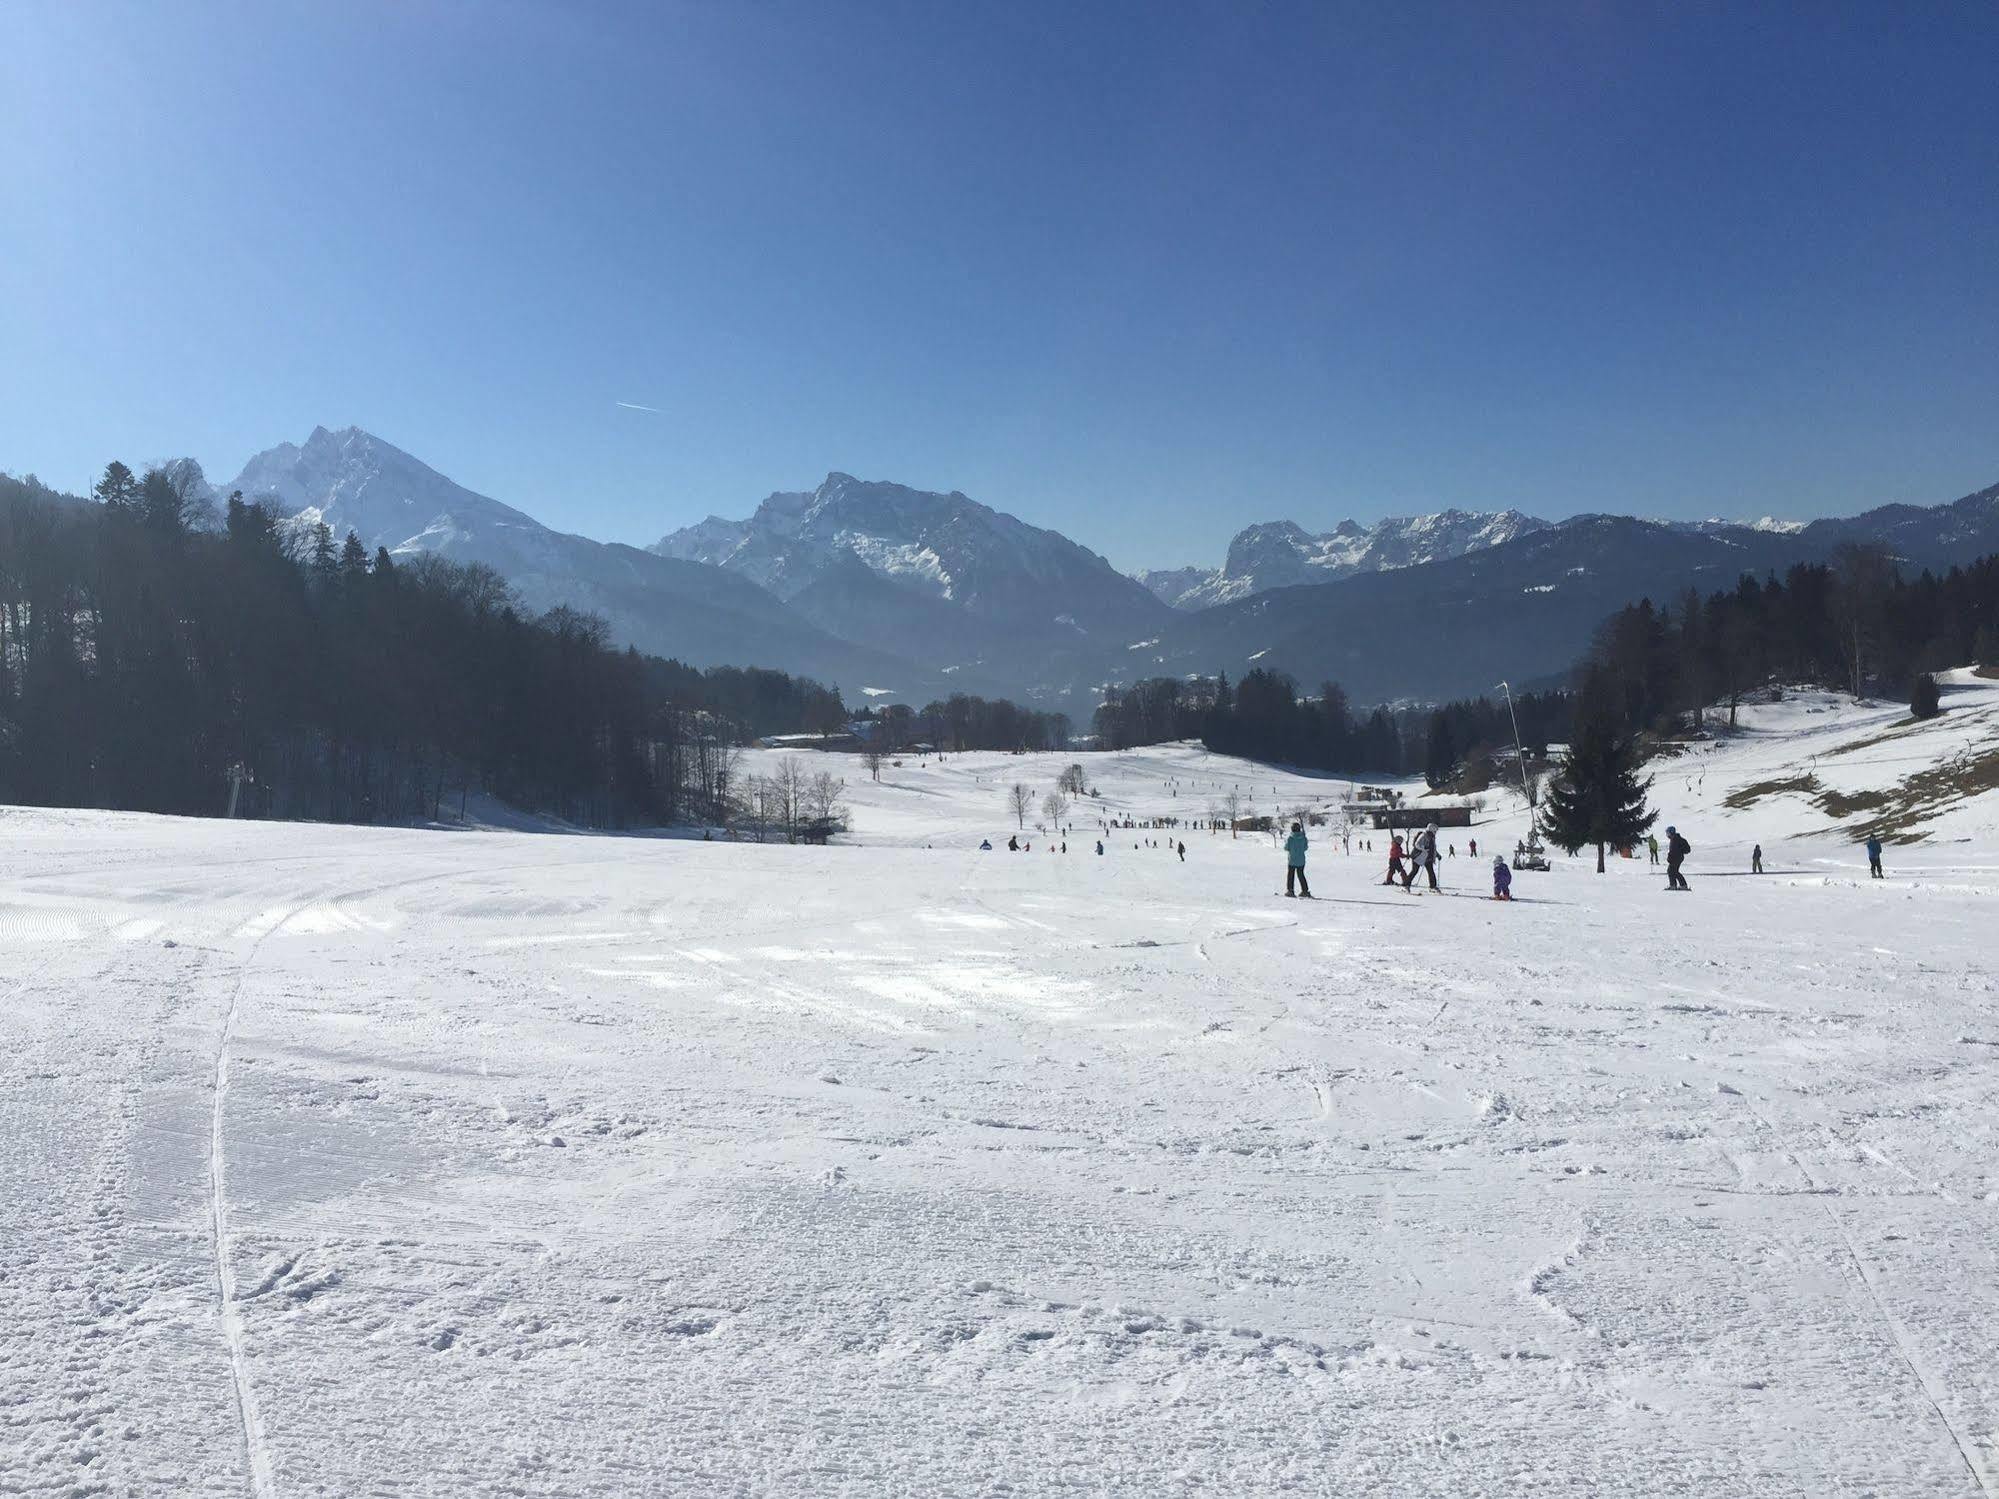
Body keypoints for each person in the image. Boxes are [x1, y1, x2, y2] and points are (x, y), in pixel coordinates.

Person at [1283, 821, 1313, 898]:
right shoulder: (1304, 838)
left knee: (1290, 875)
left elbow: (1286, 848)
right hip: (1301, 860)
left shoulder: (1290, 838)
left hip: (1292, 860)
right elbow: (1305, 848)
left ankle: (1290, 890)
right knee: (1301, 875)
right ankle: (1305, 891)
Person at [1665, 825, 1691, 890]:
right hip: (1679, 858)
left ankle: (1675, 885)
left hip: (1676, 858)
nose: (1667, 835)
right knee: (1674, 871)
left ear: (1671, 832)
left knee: (1671, 871)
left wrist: (1670, 857)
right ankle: (1680, 885)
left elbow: (1673, 850)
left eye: (1668, 833)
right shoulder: (1676, 838)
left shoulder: (1674, 839)